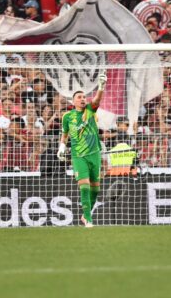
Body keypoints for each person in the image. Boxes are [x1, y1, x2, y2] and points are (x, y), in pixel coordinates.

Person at [57, 71, 107, 228]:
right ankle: (89, 220)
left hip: (95, 154)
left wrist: (101, 87)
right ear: (73, 101)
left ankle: (86, 215)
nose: (83, 99)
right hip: (78, 156)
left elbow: (97, 99)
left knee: (95, 189)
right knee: (84, 185)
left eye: (84, 96)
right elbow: (65, 135)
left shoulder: (90, 110)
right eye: (79, 97)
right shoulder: (67, 117)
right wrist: (61, 147)